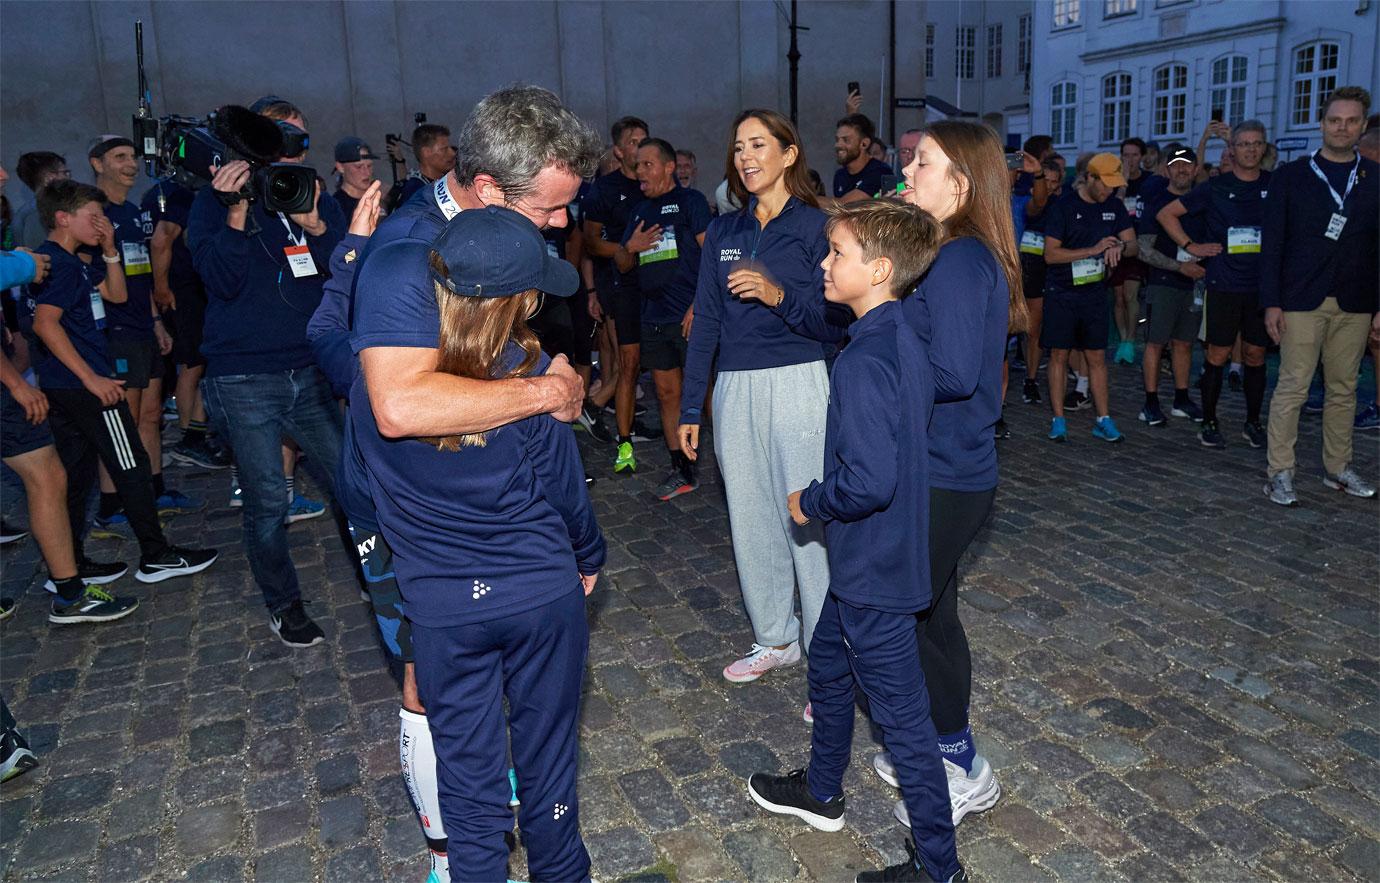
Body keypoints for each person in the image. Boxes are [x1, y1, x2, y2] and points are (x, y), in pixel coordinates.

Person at [331, 83, 599, 881]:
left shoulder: (481, 261)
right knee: (439, 693)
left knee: (467, 731)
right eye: (550, 211)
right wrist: (541, 392)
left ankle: (468, 849)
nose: (562, 225)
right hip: (424, 524)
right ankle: (456, 854)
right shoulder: (409, 254)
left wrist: (524, 363)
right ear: (489, 191)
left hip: (454, 550)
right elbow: (399, 402)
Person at [748, 201, 964, 883]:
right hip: (874, 556)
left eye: (836, 253)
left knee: (904, 726)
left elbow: (868, 480)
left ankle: (939, 868)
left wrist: (809, 500)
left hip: (875, 562)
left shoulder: (866, 358)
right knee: (829, 668)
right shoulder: (900, 332)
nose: (823, 263)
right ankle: (820, 788)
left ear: (878, 269)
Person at [871, 120, 1023, 831]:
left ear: (961, 182)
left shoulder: (960, 259)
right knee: (931, 614)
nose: (909, 171)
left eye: (923, 162)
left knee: (903, 619)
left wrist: (881, 342)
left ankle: (957, 765)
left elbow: (955, 373)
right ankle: (941, 743)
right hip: (938, 467)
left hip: (946, 471)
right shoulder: (945, 252)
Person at [678, 108, 840, 693]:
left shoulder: (817, 228)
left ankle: (829, 656)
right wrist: (691, 406)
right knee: (750, 518)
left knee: (809, 518)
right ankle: (776, 637)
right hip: (736, 389)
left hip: (800, 381)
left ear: (789, 154)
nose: (746, 157)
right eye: (739, 148)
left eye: (758, 145)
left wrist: (778, 297)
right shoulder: (724, 232)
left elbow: (835, 323)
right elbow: (708, 326)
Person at [187, 99, 347, 647]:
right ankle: (285, 604)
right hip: (243, 381)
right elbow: (220, 281)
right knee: (268, 504)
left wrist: (317, 224)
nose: (291, 147)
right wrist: (234, 212)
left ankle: (384, 582)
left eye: (299, 138)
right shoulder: (210, 203)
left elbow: (344, 265)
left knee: (355, 482)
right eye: (282, 135)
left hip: (310, 371)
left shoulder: (301, 191)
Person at [28, 179, 218, 584]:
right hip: (85, 386)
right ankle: (155, 554)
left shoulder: (72, 260)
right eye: (92, 217)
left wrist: (110, 250)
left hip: (67, 386)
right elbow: (46, 325)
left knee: (76, 476)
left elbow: (115, 295)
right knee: (131, 465)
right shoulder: (57, 264)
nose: (101, 223)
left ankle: (72, 562)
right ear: (63, 218)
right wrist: (92, 379)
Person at [1261, 86, 1378, 505]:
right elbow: (1272, 243)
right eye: (1334, 120)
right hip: (1300, 299)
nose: (1342, 128)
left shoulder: (1375, 178)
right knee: (1292, 387)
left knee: (1344, 389)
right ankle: (1279, 472)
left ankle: (1337, 468)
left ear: (1362, 127)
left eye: (1350, 121)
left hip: (1356, 300)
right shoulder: (1291, 176)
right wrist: (1271, 301)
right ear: (1322, 123)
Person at [86, 136, 195, 532]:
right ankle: (113, 505)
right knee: (121, 420)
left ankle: (153, 488)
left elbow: (141, 273)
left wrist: (155, 322)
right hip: (112, 331)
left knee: (150, 415)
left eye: (132, 157)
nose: (130, 164)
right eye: (119, 158)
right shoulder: (91, 212)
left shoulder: (132, 212)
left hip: (141, 326)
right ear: (97, 164)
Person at [1157, 120, 1271, 450]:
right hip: (1223, 282)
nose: (1250, 149)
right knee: (1218, 354)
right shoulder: (1215, 186)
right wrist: (1192, 247)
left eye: (1256, 143)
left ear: (1263, 148)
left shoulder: (1276, 185)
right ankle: (1209, 420)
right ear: (1231, 150)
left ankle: (1253, 421)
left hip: (1261, 287)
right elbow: (1167, 214)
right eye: (1244, 143)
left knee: (1255, 354)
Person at [615, 137, 711, 499]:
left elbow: (712, 255)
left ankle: (733, 462)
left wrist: (699, 305)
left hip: (689, 316)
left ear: (669, 167)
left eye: (647, 165)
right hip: (652, 317)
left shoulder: (691, 202)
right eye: (637, 165)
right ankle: (682, 470)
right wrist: (630, 248)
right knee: (667, 394)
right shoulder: (640, 211)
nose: (640, 172)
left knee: (704, 395)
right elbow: (623, 264)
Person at [583, 115, 661, 472]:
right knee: (625, 363)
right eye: (633, 142)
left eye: (645, 140)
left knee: (643, 362)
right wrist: (625, 249)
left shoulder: (654, 189)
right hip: (618, 287)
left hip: (655, 290)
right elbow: (589, 242)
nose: (640, 146)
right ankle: (611, 426)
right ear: (618, 150)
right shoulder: (604, 189)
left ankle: (603, 411)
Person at [1042, 153, 1136, 442]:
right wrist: (1093, 249)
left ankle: (1103, 419)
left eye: (1114, 185)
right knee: (1059, 355)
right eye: (1105, 184)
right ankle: (1058, 419)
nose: (1109, 190)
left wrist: (1118, 244)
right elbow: (1051, 254)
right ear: (1090, 178)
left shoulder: (1114, 206)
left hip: (1095, 294)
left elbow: (1133, 246)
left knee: (1097, 357)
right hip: (1062, 293)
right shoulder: (1063, 207)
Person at [143, 176, 227, 470]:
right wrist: (161, 286)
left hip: (179, 290)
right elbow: (160, 239)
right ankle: (191, 438)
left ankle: (194, 434)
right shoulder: (178, 194)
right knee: (194, 364)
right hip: (183, 291)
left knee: (194, 363)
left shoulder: (156, 192)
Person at [1134, 146, 1206, 427]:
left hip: (1194, 284)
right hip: (1163, 283)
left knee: (1185, 344)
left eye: (1187, 164)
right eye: (1176, 165)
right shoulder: (1157, 202)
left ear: (1196, 169)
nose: (1182, 169)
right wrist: (1179, 267)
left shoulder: (1203, 201)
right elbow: (1142, 250)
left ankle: (1181, 398)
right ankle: (1150, 403)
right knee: (1155, 344)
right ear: (1167, 170)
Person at [1109, 137, 1157, 366]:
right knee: (1118, 298)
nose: (1130, 160)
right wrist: (1123, 184)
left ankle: (1130, 339)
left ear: (1142, 157)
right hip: (1115, 247)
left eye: (1134, 155)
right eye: (1125, 155)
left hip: (1138, 246)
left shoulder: (1149, 181)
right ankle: (1122, 339)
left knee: (1131, 295)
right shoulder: (1114, 182)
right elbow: (1113, 210)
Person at [386, 123, 456, 213]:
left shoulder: (446, 182)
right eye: (444, 149)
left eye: (450, 148)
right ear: (426, 152)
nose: (452, 153)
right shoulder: (415, 192)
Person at [13, 152, 70, 249]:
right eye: (64, 173)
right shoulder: (35, 214)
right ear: (48, 177)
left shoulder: (46, 208)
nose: (68, 177)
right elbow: (42, 256)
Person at [833, 114, 891, 203]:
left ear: (864, 144)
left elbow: (843, 204)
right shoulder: (840, 175)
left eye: (846, 140)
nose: (838, 145)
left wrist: (807, 199)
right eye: (837, 140)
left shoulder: (881, 172)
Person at [332, 137, 380, 220]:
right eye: (359, 167)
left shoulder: (379, 200)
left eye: (369, 166)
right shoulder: (335, 208)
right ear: (340, 167)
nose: (367, 172)